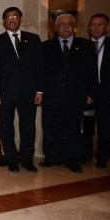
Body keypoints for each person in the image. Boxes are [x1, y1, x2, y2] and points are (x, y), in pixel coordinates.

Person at [41, 13, 98, 173]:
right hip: (52, 96)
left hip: (76, 96)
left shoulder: (87, 46)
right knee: (50, 128)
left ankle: (73, 160)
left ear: (74, 27)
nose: (65, 27)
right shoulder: (46, 47)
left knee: (73, 129)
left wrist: (91, 93)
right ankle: (51, 157)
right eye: (62, 24)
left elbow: (93, 72)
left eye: (68, 24)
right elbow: (40, 72)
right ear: (56, 27)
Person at [0, 7, 44, 173]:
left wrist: (40, 90)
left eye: (15, 16)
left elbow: (39, 66)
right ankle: (12, 159)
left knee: (28, 127)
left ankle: (27, 159)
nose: (12, 19)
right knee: (6, 127)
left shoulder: (33, 39)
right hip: (5, 92)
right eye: (8, 17)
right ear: (4, 22)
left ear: (21, 19)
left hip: (29, 92)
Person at [87, 13, 110, 168]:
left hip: (106, 93)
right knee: (85, 127)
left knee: (105, 127)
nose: (96, 28)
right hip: (86, 93)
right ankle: (85, 155)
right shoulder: (81, 45)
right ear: (89, 28)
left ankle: (102, 157)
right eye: (93, 25)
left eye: (100, 25)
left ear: (106, 28)